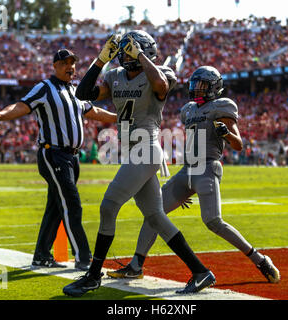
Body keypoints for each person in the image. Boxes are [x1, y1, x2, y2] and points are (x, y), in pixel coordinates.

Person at [62, 31, 215, 297]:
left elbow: (161, 87)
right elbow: (84, 93)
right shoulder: (115, 76)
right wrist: (100, 60)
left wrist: (141, 55)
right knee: (156, 217)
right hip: (132, 150)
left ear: (143, 51)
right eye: (123, 50)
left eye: (128, 50)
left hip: (147, 149)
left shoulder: (160, 71)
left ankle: (93, 276)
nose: (123, 54)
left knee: (108, 206)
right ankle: (201, 271)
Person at [106, 66, 281, 284]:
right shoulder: (188, 109)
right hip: (187, 170)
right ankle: (135, 265)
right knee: (154, 214)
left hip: (207, 168)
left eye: (202, 85)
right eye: (194, 84)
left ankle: (260, 259)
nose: (196, 89)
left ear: (214, 88)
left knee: (213, 221)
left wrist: (226, 134)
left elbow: (238, 145)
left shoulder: (222, 106)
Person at [0, 49, 117, 271]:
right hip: (53, 153)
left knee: (56, 206)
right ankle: (84, 258)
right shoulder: (44, 88)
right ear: (54, 66)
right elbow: (22, 105)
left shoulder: (76, 91)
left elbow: (93, 111)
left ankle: (41, 255)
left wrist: (120, 118)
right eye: (65, 63)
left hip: (71, 157)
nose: (70, 67)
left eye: (73, 63)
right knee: (71, 203)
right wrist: (0, 115)